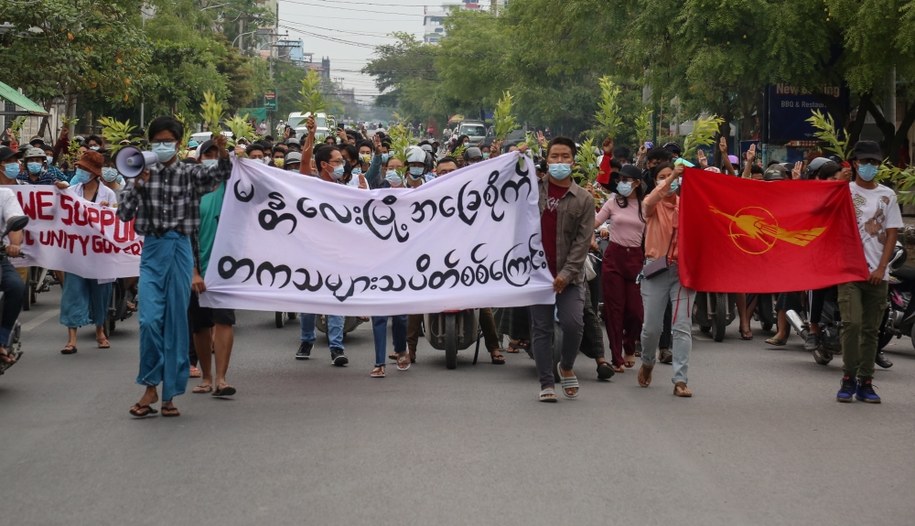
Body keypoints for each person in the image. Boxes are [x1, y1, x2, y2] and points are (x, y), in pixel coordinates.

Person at [117, 117, 232, 418]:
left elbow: (222, 174)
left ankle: (168, 395)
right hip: (153, 250)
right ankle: (150, 385)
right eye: (157, 140)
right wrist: (136, 186)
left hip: (181, 248)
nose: (162, 145)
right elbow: (124, 214)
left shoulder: (192, 173)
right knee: (149, 321)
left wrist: (222, 152)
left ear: (178, 144)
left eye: (167, 140)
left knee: (177, 323)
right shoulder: (139, 172)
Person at [835, 141, 902, 403]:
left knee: (871, 330)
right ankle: (848, 378)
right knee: (852, 324)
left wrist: (881, 267)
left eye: (874, 163)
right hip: (849, 271)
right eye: (865, 163)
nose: (869, 167)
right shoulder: (843, 192)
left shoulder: (888, 195)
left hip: (877, 273)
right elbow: (820, 208)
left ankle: (866, 381)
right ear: (855, 164)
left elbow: (893, 232)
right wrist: (837, 183)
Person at [530, 137, 594, 402]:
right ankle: (546, 383)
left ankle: (566, 364)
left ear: (573, 161)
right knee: (541, 328)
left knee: (573, 323)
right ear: (546, 160)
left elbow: (582, 243)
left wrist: (566, 275)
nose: (559, 162)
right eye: (554, 157)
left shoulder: (584, 199)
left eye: (564, 157)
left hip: (570, 276)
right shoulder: (531, 191)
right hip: (536, 274)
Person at [638, 162, 695, 398]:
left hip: (683, 273)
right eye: (661, 177)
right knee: (652, 328)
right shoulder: (650, 206)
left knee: (682, 327)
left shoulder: (689, 206)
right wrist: (672, 177)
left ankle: (680, 379)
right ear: (656, 182)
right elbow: (649, 201)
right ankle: (648, 361)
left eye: (670, 176)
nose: (668, 180)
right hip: (656, 270)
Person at [189, 140, 237, 397]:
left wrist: (227, 152)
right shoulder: (191, 190)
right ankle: (206, 377)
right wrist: (193, 271)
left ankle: (221, 378)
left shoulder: (232, 189)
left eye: (215, 155)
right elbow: (185, 233)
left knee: (224, 320)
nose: (212, 158)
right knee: (200, 326)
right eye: (207, 154)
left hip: (226, 269)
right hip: (198, 267)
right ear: (199, 160)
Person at [294, 142, 349, 367]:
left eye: (342, 162)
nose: (341, 165)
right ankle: (307, 339)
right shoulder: (312, 185)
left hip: (337, 253)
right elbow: (305, 163)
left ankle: (336, 348)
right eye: (337, 161)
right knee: (310, 300)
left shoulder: (345, 189)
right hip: (311, 252)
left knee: (337, 300)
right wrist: (310, 136)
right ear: (325, 165)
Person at [57, 151, 117, 354]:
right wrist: (59, 192)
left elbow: (115, 220)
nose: (80, 171)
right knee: (72, 292)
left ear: (94, 173)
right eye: (80, 168)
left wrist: (107, 209)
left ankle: (100, 332)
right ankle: (71, 339)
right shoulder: (72, 191)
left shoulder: (108, 194)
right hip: (76, 251)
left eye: (84, 169)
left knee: (101, 293)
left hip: (100, 252)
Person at [595, 164, 646, 373]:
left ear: (636, 183)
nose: (622, 183)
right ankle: (616, 357)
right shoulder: (612, 202)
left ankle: (629, 346)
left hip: (635, 259)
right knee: (614, 310)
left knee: (636, 312)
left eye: (626, 180)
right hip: (614, 257)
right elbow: (595, 222)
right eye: (620, 180)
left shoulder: (645, 206)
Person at [0, 147, 26, 366]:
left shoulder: (5, 195)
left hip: (0, 256)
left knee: (16, 287)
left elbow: (15, 221)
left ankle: (1, 338)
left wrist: (14, 245)